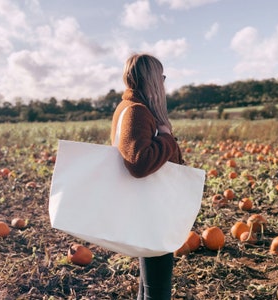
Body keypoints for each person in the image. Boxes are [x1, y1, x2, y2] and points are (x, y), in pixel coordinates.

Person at [110, 53, 184, 300]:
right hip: (152, 209)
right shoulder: (136, 111)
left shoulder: (131, 107)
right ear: (152, 79)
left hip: (146, 204)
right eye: (162, 77)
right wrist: (166, 138)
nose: (164, 83)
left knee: (150, 285)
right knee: (157, 289)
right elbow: (138, 162)